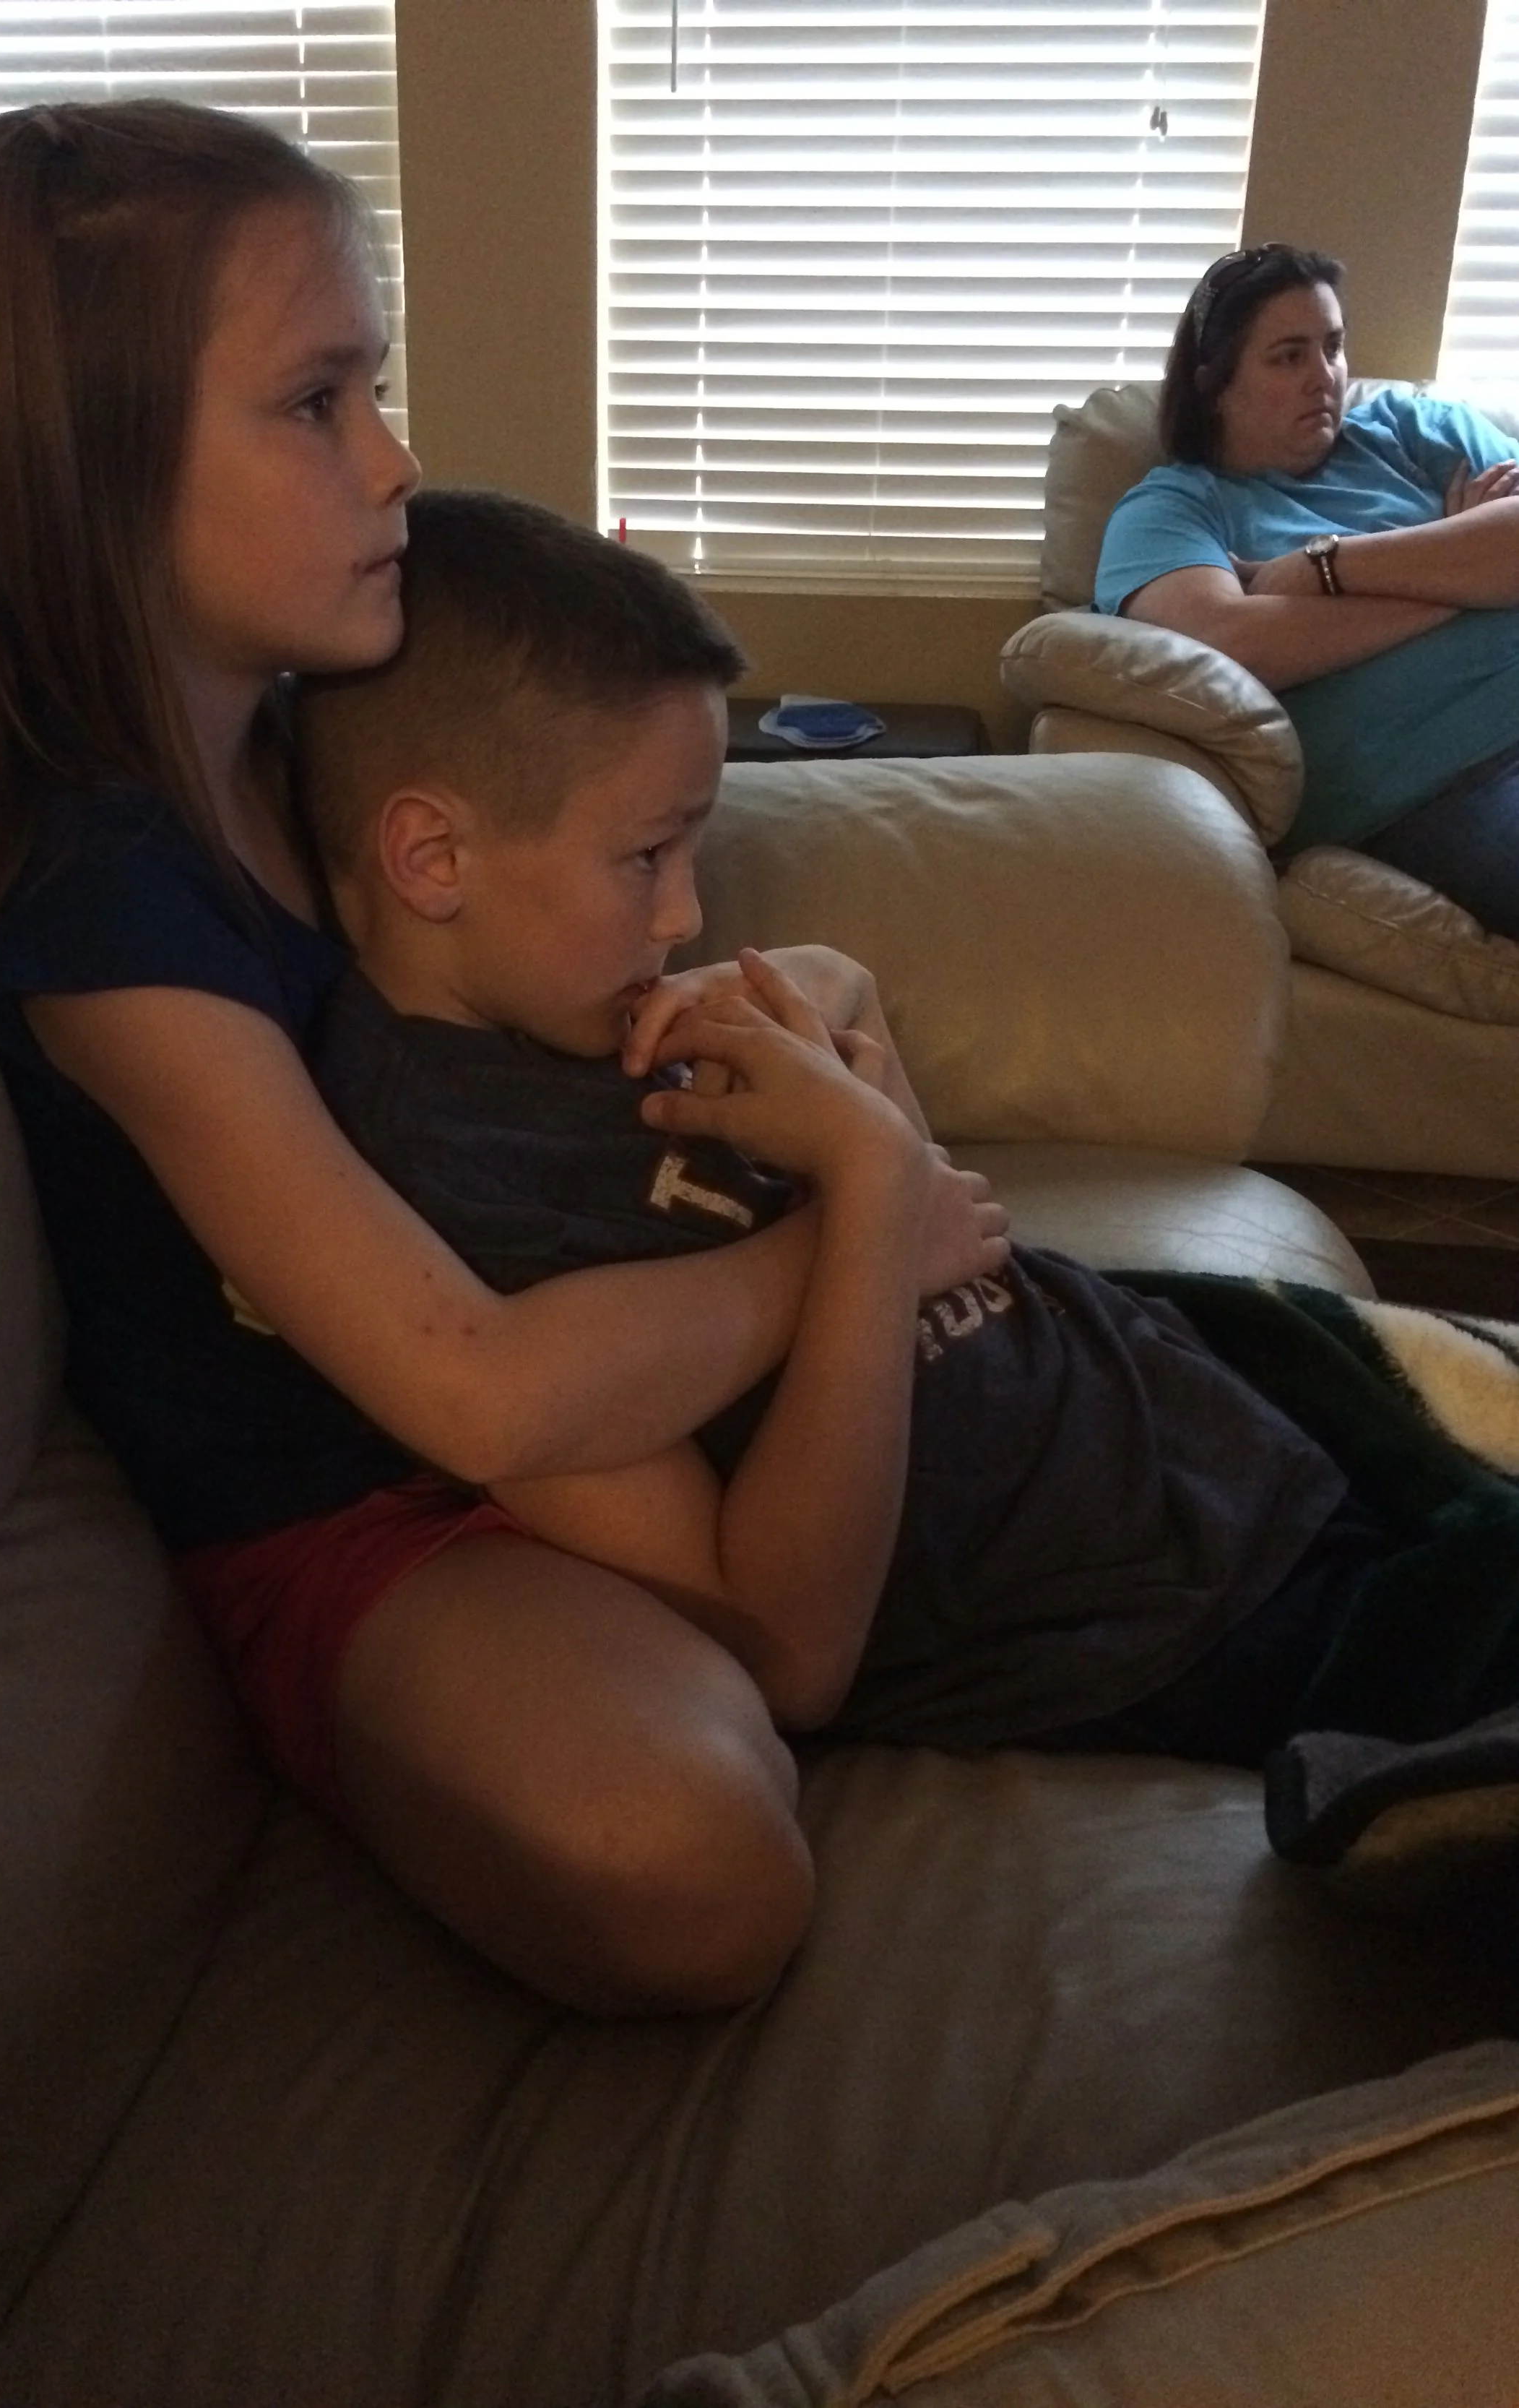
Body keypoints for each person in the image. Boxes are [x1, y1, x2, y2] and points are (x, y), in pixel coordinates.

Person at [0, 97, 1010, 2019]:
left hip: (556, 1308)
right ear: (86, 467)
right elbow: (466, 1392)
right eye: (316, 404)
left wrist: (750, 1013)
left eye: (369, 390)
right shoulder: (103, 913)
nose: (394, 460)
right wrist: (859, 1249)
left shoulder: (315, 727)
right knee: (693, 1860)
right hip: (359, 1490)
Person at [297, 485, 1519, 1881]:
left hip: (1190, 1422)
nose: (688, 911)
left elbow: (952, 1222)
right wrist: (869, 1207)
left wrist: (843, 1030)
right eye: (645, 855)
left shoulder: (572, 1008)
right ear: (431, 855)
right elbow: (789, 1649)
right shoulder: (454, 1200)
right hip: (1168, 1613)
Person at [1094, 242, 1519, 938]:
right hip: (1442, 779)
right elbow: (1233, 641)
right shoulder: (1174, 510)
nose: (1324, 377)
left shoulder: (1412, 429)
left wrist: (1328, 569)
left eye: (1333, 347)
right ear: (1216, 382)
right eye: (1288, 356)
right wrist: (1462, 569)